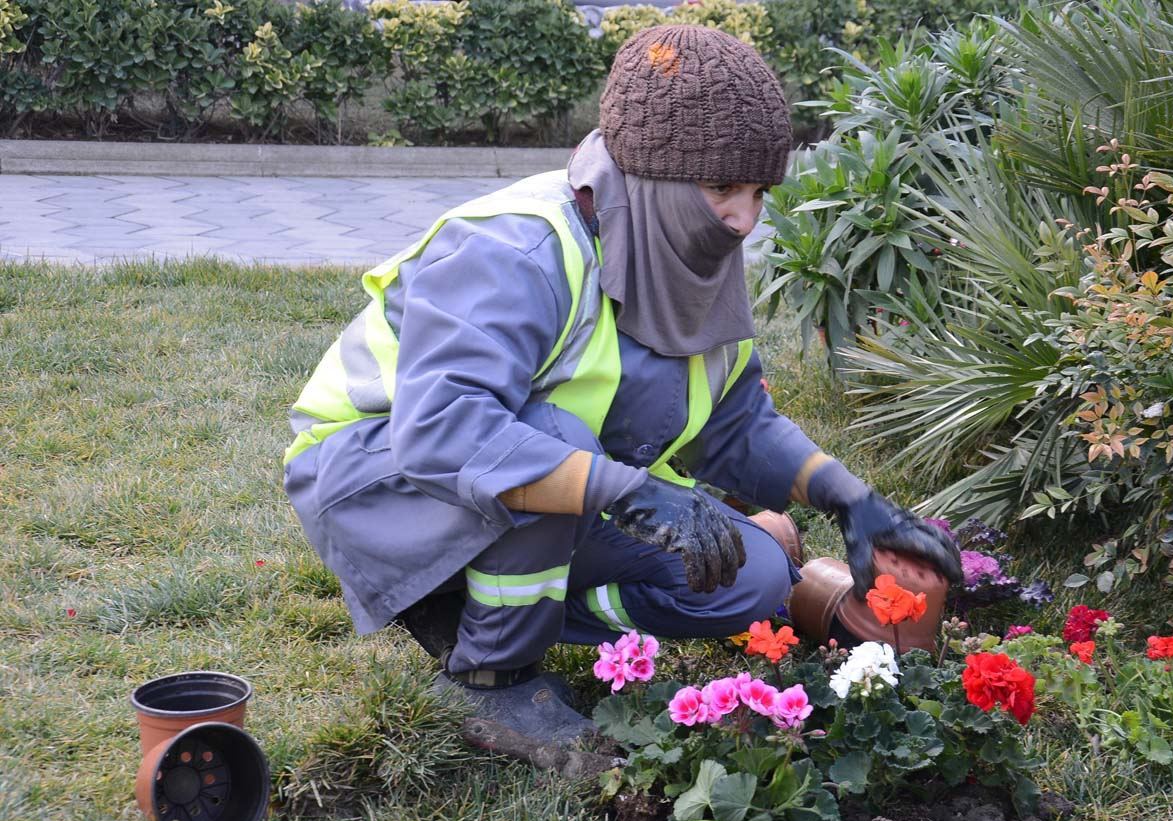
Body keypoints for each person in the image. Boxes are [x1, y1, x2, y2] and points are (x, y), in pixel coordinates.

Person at [282, 24, 961, 744]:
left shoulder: (684, 261)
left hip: (527, 494)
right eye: (722, 187)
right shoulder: (517, 249)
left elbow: (736, 425)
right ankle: (488, 680)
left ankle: (478, 608)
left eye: (760, 190)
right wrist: (631, 492)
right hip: (377, 482)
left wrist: (849, 499)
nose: (745, 218)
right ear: (650, 172)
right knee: (551, 442)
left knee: (753, 576)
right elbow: (443, 430)